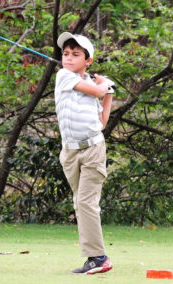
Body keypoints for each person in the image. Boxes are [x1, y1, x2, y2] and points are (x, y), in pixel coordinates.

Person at [55, 32, 114, 274]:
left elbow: (101, 122)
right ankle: (94, 257)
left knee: (86, 202)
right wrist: (105, 86)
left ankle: (99, 258)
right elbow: (98, 90)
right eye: (66, 54)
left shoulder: (92, 84)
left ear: (87, 61)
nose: (68, 58)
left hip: (92, 149)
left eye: (75, 55)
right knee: (81, 203)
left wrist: (108, 92)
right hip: (69, 152)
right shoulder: (63, 76)